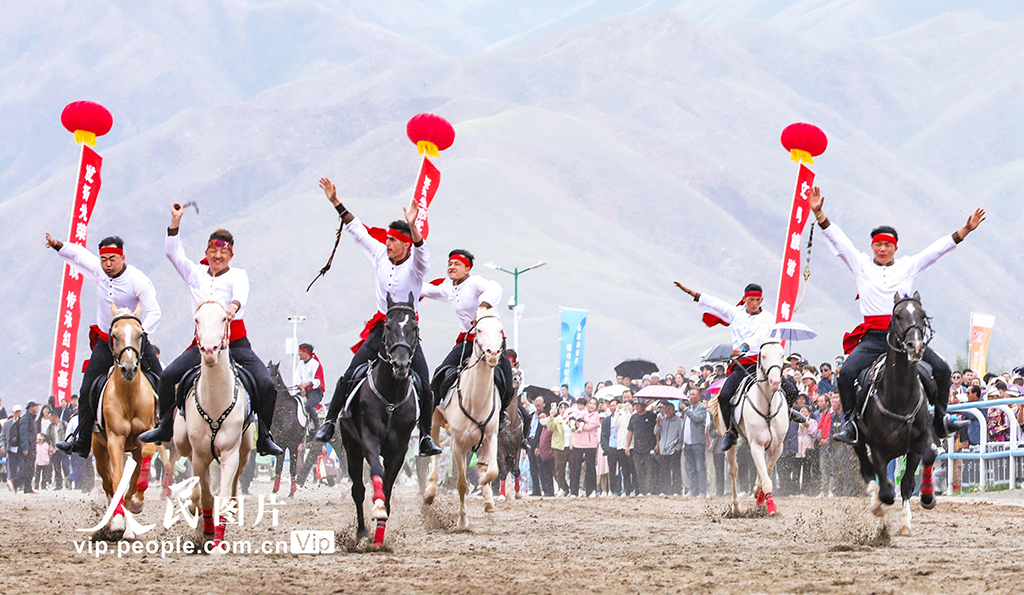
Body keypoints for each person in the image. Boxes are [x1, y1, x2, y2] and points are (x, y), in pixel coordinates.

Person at [809, 187, 982, 444]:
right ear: (872, 246)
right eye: (878, 244)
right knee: (845, 374)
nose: (882, 249)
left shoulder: (908, 265)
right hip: (873, 339)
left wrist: (965, 230)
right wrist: (820, 213)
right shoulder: (861, 264)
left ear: (895, 247)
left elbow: (936, 250)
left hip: (905, 338)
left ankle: (941, 420)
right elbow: (840, 242)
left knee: (943, 370)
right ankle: (852, 425)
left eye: (887, 244)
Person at [140, 204, 282, 456]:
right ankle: (164, 427)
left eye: (223, 252)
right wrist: (175, 222)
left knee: (266, 384)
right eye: (213, 250)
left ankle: (265, 436)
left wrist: (232, 309)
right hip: (202, 344)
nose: (218, 255)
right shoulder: (195, 274)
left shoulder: (238, 275)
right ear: (207, 251)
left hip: (235, 343)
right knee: (167, 376)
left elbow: (240, 296)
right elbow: (173, 254)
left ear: (231, 254)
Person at [313, 178, 441, 456]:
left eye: (393, 240)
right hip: (382, 328)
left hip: (406, 333)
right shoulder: (380, 255)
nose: (387, 242)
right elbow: (357, 231)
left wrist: (414, 227)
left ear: (406, 244)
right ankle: (330, 421)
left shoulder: (416, 267)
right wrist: (336, 201)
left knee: (425, 385)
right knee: (349, 374)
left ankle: (425, 438)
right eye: (387, 239)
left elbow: (423, 252)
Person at [46, 233, 162, 458]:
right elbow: (79, 255)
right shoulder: (99, 270)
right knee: (87, 387)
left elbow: (155, 311)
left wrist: (138, 334)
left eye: (112, 259)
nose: (107, 264)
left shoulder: (138, 280)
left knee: (161, 378)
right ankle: (81, 440)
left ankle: (166, 428)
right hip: (105, 340)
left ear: (122, 257)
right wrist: (57, 245)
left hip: (134, 340)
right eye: (104, 259)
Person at [674, 281, 805, 452]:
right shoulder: (736, 313)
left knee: (792, 390)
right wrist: (691, 292)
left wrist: (743, 347)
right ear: (744, 299)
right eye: (751, 300)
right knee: (724, 396)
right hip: (741, 365)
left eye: (758, 300)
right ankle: (730, 431)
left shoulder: (767, 319)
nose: (755, 303)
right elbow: (716, 303)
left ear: (762, 300)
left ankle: (787, 412)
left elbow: (758, 338)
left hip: (761, 363)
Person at [420, 249, 517, 429]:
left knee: (506, 380)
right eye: (450, 263)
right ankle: (430, 417)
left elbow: (495, 287)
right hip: (468, 339)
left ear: (467, 269)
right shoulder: (447, 287)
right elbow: (425, 288)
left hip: (491, 340)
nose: (452, 267)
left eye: (457, 264)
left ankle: (501, 414)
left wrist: (483, 306)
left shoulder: (474, 282)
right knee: (440, 373)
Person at [626, 400, 657, 495]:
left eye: (639, 404)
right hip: (637, 448)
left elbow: (657, 431)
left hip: (650, 447)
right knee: (639, 471)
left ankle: (649, 490)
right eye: (635, 405)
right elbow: (630, 432)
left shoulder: (651, 416)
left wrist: (657, 444)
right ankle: (641, 490)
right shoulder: (633, 418)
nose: (637, 406)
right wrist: (627, 446)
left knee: (649, 470)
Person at [681, 388, 708, 497]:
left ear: (698, 396)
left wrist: (686, 410)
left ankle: (702, 491)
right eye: (689, 394)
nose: (690, 396)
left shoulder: (701, 408)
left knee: (700, 467)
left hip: (698, 443)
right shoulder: (689, 408)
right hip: (687, 443)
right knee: (691, 468)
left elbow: (697, 418)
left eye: (693, 394)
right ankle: (693, 490)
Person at [654, 401, 683, 495]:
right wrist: (658, 423)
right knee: (664, 471)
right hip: (663, 449)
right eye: (665, 409)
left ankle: (676, 490)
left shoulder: (679, 421)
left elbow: (681, 436)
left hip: (673, 449)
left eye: (669, 409)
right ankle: (665, 490)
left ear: (674, 410)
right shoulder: (663, 420)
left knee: (675, 471)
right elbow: (656, 432)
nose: (667, 411)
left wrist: (677, 447)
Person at [295, 343, 325, 431]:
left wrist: (307, 384)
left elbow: (318, 381)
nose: (299, 354)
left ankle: (317, 428)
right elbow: (297, 378)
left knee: (309, 405)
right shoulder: (300, 364)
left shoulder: (315, 364)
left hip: (315, 392)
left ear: (305, 353)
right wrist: (301, 387)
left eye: (300, 352)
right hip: (303, 390)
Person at [544, 401, 571, 496]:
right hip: (560, 447)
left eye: (565, 407)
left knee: (573, 469)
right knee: (559, 469)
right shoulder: (557, 419)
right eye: (561, 408)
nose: (563, 410)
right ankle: (562, 488)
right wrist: (551, 416)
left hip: (571, 446)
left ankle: (573, 488)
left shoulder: (572, 418)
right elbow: (550, 427)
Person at [17, 401, 40, 493]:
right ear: (31, 407)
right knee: (27, 468)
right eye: (35, 406)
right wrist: (25, 447)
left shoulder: (32, 419)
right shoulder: (25, 419)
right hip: (27, 448)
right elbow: (23, 434)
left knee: (30, 468)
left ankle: (28, 487)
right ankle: (15, 483)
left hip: (32, 447)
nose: (37, 409)